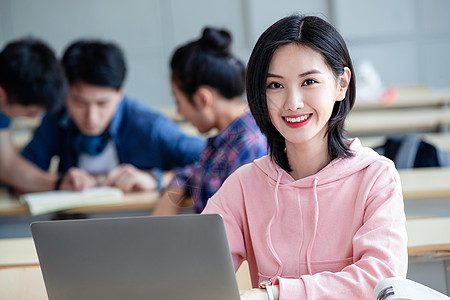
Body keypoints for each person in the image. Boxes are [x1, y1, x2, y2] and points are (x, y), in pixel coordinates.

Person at [202, 15, 408, 299]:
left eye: (309, 81)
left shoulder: (376, 177)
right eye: (275, 85)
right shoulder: (244, 185)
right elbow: (196, 271)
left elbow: (381, 280)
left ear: (342, 84)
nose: (292, 103)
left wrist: (273, 295)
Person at [22, 40, 205, 192]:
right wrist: (57, 181)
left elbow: (214, 162)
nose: (91, 117)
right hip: (76, 223)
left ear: (119, 94)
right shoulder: (56, 118)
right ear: (65, 94)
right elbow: (18, 175)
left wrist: (156, 179)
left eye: (102, 104)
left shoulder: (148, 125)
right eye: (79, 102)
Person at [152, 27, 267, 215]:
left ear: (203, 99)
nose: (180, 112)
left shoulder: (250, 146)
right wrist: (173, 192)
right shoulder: (226, 141)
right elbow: (195, 172)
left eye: (178, 101)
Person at [0, 38, 67, 192]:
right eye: (31, 113)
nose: (35, 119)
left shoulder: (6, 79)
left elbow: (6, 164)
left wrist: (58, 183)